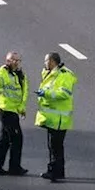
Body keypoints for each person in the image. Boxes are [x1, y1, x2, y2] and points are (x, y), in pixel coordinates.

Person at [36, 52, 77, 182]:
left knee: (55, 146)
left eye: (46, 61)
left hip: (59, 118)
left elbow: (64, 94)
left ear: (52, 61)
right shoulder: (51, 73)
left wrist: (46, 93)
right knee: (54, 146)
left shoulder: (64, 75)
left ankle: (55, 172)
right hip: (53, 117)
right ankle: (57, 171)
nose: (45, 63)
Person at [0, 51, 29, 177]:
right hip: (5, 110)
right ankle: (14, 167)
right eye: (13, 60)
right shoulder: (3, 71)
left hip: (14, 110)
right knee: (17, 138)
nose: (15, 62)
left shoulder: (20, 75)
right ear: (7, 61)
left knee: (5, 140)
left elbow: (23, 92)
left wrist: (21, 108)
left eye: (17, 60)